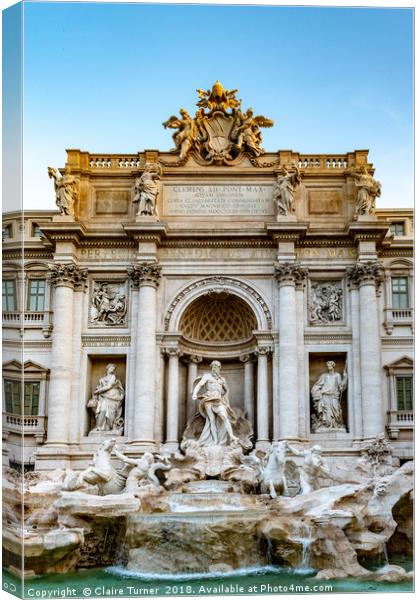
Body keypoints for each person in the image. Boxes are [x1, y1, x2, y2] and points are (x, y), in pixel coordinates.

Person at [192, 360, 238, 446]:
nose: (214, 369)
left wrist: (225, 399)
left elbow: (226, 390)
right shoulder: (207, 376)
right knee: (211, 420)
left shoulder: (222, 379)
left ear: (219, 369)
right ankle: (216, 441)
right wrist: (195, 393)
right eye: (213, 367)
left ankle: (231, 436)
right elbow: (200, 385)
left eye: (216, 367)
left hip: (219, 401)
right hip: (208, 400)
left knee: (224, 417)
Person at [88, 364, 125, 432]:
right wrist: (97, 392)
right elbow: (99, 387)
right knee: (102, 410)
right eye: (111, 368)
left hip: (113, 398)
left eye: (113, 369)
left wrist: (98, 391)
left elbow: (109, 386)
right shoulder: (102, 379)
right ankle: (100, 427)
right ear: (107, 368)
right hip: (104, 398)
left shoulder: (113, 377)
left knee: (110, 413)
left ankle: (108, 428)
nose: (112, 370)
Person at [311, 361, 347, 430]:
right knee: (326, 412)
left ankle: (336, 424)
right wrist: (315, 391)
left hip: (334, 396)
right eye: (327, 366)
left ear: (333, 366)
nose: (328, 367)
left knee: (336, 410)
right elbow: (318, 384)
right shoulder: (324, 376)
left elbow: (340, 386)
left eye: (330, 366)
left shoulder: (337, 375)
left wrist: (345, 377)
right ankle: (327, 425)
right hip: (325, 396)